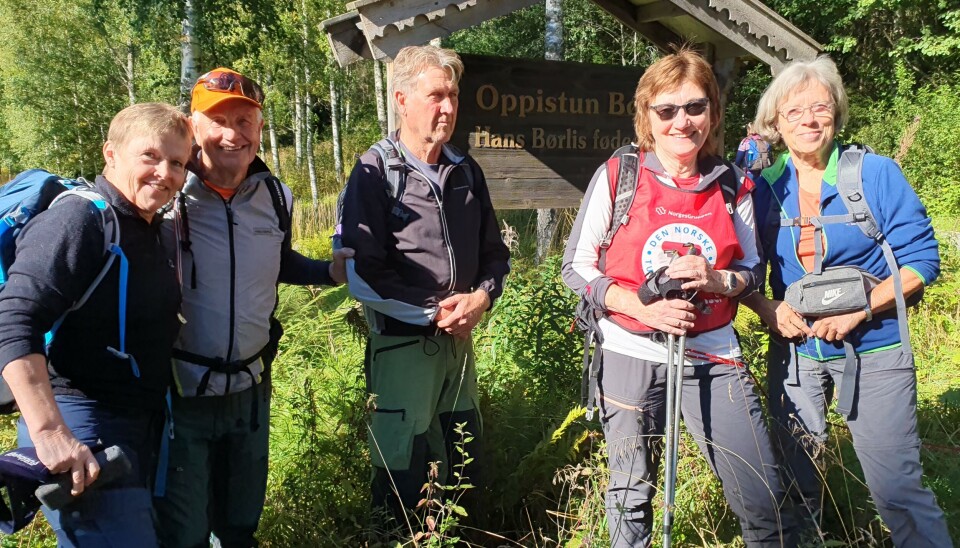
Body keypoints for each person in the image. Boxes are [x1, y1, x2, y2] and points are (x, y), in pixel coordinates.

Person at [562, 49, 794, 548]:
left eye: (694, 107)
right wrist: (637, 306)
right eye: (666, 110)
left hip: (713, 352)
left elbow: (753, 271)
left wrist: (717, 280)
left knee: (762, 494)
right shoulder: (620, 175)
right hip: (631, 350)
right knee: (630, 494)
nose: (681, 122)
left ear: (712, 112)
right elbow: (576, 269)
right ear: (646, 115)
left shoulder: (733, 184)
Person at [743, 56, 951, 547]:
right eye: (794, 113)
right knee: (793, 487)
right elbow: (745, 269)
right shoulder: (762, 189)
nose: (809, 121)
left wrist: (860, 310)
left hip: (875, 349)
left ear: (836, 114)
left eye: (820, 109)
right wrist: (766, 307)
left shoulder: (876, 175)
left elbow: (922, 262)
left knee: (896, 488)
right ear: (775, 122)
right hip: (797, 353)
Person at [152, 68, 353, 547]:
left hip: (251, 390)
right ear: (191, 125)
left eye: (245, 120)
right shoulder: (165, 195)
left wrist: (327, 272)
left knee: (241, 524)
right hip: (182, 394)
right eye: (218, 120)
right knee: (184, 533)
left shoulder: (276, 196)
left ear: (260, 128)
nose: (232, 134)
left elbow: (277, 263)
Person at [0, 102, 192, 546]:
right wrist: (50, 433)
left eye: (178, 163)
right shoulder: (82, 219)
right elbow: (13, 318)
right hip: (82, 428)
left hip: (135, 427)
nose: (165, 173)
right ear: (111, 153)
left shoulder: (149, 227)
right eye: (151, 156)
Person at [339, 45, 510, 523]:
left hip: (459, 349)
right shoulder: (376, 173)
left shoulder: (465, 171)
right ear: (401, 99)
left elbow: (496, 254)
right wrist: (436, 311)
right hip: (403, 349)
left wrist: (481, 297)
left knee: (462, 462)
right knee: (403, 472)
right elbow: (362, 273)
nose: (449, 107)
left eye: (453, 95)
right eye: (436, 95)